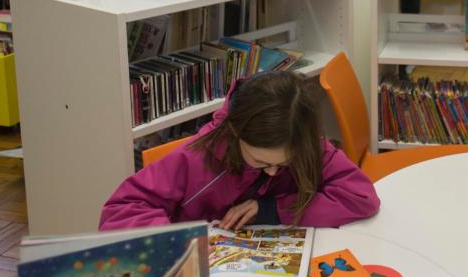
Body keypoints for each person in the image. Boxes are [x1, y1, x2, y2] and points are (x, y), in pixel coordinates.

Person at [99, 71, 380, 230]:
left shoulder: (306, 143)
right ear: (235, 133)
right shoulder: (198, 156)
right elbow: (119, 211)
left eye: (284, 164)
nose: (272, 172)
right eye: (259, 161)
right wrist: (179, 240)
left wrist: (272, 210)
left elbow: (360, 197)